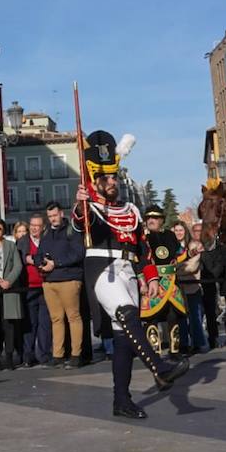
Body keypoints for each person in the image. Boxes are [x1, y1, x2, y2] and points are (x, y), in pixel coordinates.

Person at [74, 131, 188, 419]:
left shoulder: (132, 210)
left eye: (114, 177)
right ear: (94, 180)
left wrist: (151, 276)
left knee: (123, 340)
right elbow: (80, 224)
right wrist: (80, 203)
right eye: (105, 178)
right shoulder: (89, 207)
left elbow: (144, 248)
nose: (112, 182)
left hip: (128, 273)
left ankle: (121, 400)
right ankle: (159, 368)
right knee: (126, 314)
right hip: (103, 270)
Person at [39, 201, 85, 368]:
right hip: (49, 281)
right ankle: (58, 354)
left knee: (73, 317)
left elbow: (78, 253)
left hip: (69, 279)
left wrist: (56, 263)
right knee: (56, 319)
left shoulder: (72, 230)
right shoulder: (46, 233)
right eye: (50, 216)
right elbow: (39, 253)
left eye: (55, 215)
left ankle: (76, 355)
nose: (52, 218)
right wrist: (40, 263)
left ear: (61, 214)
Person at [139, 205, 187, 361]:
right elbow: (138, 261)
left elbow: (179, 254)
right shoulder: (142, 237)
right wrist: (142, 281)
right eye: (148, 218)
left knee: (173, 316)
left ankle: (175, 351)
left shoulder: (170, 235)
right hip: (151, 281)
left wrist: (191, 252)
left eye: (155, 217)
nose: (151, 220)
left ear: (162, 220)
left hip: (171, 282)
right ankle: (154, 353)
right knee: (151, 317)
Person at [0, 218, 23, 370]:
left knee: (9, 325)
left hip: (9, 289)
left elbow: (18, 265)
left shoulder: (10, 245)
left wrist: (8, 281)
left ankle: (9, 357)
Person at [18, 214, 51, 367]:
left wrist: (34, 259)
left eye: (37, 226)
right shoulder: (22, 241)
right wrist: (28, 259)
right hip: (29, 287)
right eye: (32, 225)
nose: (34, 228)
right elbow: (20, 259)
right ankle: (28, 356)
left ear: (43, 227)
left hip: (46, 286)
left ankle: (43, 355)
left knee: (45, 323)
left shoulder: (48, 240)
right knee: (30, 323)